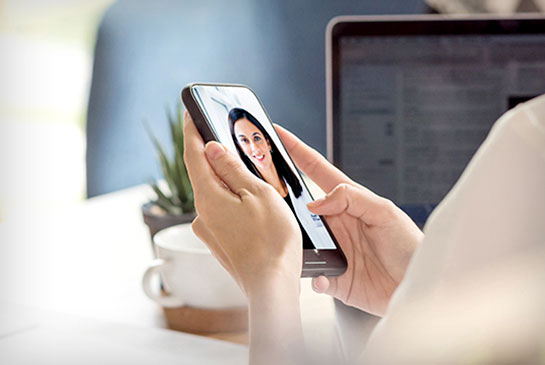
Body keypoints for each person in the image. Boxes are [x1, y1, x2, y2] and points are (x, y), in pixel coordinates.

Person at [183, 94, 545, 364]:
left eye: (256, 138)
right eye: (242, 141)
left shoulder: (528, 138)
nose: (253, 148)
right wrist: (420, 284)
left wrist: (269, 281)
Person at [228, 107, 323, 250]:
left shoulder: (300, 185)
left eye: (257, 138)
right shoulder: (251, 199)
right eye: (245, 141)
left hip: (322, 267)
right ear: (240, 148)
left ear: (268, 142)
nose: (254, 148)